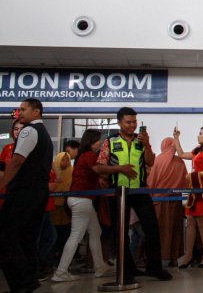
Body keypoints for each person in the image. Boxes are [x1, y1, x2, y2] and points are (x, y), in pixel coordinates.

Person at [93, 107, 172, 282]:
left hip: (140, 190)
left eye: (134, 122)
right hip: (118, 192)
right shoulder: (110, 142)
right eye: (128, 122)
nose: (132, 125)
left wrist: (146, 144)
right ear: (120, 122)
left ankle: (155, 268)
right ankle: (127, 270)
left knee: (151, 228)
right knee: (120, 233)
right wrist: (120, 169)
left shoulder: (140, 140)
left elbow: (151, 161)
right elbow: (99, 167)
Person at [0, 99, 53, 293]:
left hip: (24, 190)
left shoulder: (29, 131)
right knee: (27, 238)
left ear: (36, 111)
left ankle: (21, 283)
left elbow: (17, 161)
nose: (20, 113)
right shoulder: (45, 134)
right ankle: (29, 280)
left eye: (23, 109)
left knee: (6, 235)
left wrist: (2, 183)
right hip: (39, 191)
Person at [53, 129, 113, 282]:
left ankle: (99, 266)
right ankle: (60, 272)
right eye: (98, 139)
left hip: (81, 199)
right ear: (92, 140)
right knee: (76, 235)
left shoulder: (83, 156)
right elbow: (100, 171)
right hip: (82, 199)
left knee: (95, 231)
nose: (100, 142)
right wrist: (118, 168)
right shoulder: (90, 156)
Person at [173, 124, 203, 268]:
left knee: (201, 222)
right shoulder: (197, 151)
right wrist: (176, 138)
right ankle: (188, 255)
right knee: (190, 221)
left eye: (201, 133)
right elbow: (181, 154)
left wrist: (193, 175)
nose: (198, 135)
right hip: (195, 187)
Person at [147, 137, 187, 267]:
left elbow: (151, 182)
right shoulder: (180, 162)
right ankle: (174, 257)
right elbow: (185, 182)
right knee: (175, 230)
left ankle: (159, 257)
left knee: (161, 230)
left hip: (159, 202)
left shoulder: (157, 160)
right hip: (176, 202)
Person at [49, 152, 73, 268]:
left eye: (67, 160)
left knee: (65, 235)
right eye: (62, 160)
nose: (65, 163)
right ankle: (50, 260)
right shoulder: (53, 172)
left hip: (66, 208)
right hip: (53, 208)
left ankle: (62, 261)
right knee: (53, 236)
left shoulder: (71, 172)